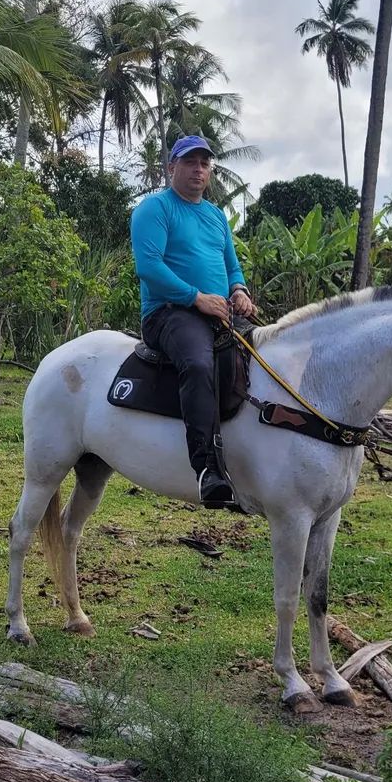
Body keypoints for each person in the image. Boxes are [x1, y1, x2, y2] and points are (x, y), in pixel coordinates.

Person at [130, 135, 257, 508]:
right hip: (169, 313)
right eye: (189, 162)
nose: (198, 169)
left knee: (269, 352)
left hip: (220, 310)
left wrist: (239, 290)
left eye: (204, 163)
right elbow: (149, 267)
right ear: (172, 167)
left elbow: (231, 265)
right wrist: (196, 298)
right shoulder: (155, 209)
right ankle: (208, 469)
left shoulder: (216, 216)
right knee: (199, 363)